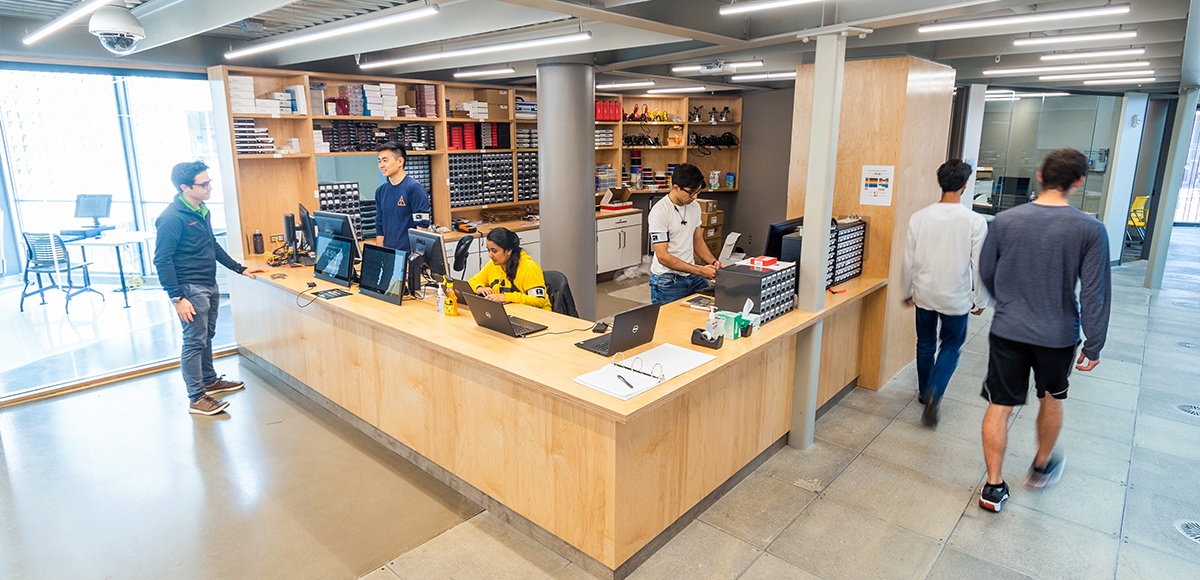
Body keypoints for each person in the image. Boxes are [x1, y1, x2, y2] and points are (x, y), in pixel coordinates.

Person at [976, 148, 1111, 512]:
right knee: (1051, 398)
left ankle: (993, 487)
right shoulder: (1090, 229)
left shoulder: (1005, 221)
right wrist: (1094, 344)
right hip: (1057, 334)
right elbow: (1095, 293)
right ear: (1079, 181)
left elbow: (987, 272)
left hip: (1008, 329)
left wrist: (1009, 302)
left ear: (1039, 175)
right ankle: (1040, 465)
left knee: (999, 405)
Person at [154, 161, 265, 416]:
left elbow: (212, 245)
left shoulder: (201, 210)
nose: (209, 188)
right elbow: (162, 259)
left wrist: (240, 268)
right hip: (189, 289)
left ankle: (209, 380)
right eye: (203, 184)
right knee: (193, 342)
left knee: (206, 336)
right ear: (184, 187)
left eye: (209, 182)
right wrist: (177, 297)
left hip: (208, 283)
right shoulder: (171, 218)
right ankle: (196, 398)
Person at [900, 159, 990, 428]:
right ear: (965, 185)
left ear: (939, 183)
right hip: (956, 298)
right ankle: (935, 393)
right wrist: (981, 299)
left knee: (925, 343)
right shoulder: (974, 221)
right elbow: (980, 265)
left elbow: (908, 260)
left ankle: (923, 392)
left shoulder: (919, 217)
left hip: (924, 294)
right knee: (950, 346)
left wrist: (907, 290)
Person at [647, 163, 721, 304]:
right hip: (667, 280)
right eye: (691, 192)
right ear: (676, 187)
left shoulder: (695, 207)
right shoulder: (660, 212)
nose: (694, 196)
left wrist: (714, 262)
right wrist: (700, 271)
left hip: (692, 276)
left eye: (698, 192)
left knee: (711, 308)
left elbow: (697, 241)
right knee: (669, 324)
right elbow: (663, 257)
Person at [467, 227, 551, 310]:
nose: (490, 255)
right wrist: (479, 288)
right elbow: (472, 281)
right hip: (511, 314)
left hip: (538, 317)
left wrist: (506, 297)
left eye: (494, 251)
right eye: (488, 250)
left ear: (508, 251)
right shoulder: (493, 265)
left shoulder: (529, 268)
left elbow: (539, 301)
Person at [374, 141, 431, 253]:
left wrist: (413, 258)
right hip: (389, 254)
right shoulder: (380, 191)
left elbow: (422, 227)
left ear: (400, 161)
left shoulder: (414, 188)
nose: (381, 165)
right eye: (380, 161)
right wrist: (380, 254)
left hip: (408, 254)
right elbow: (379, 225)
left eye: (385, 160)